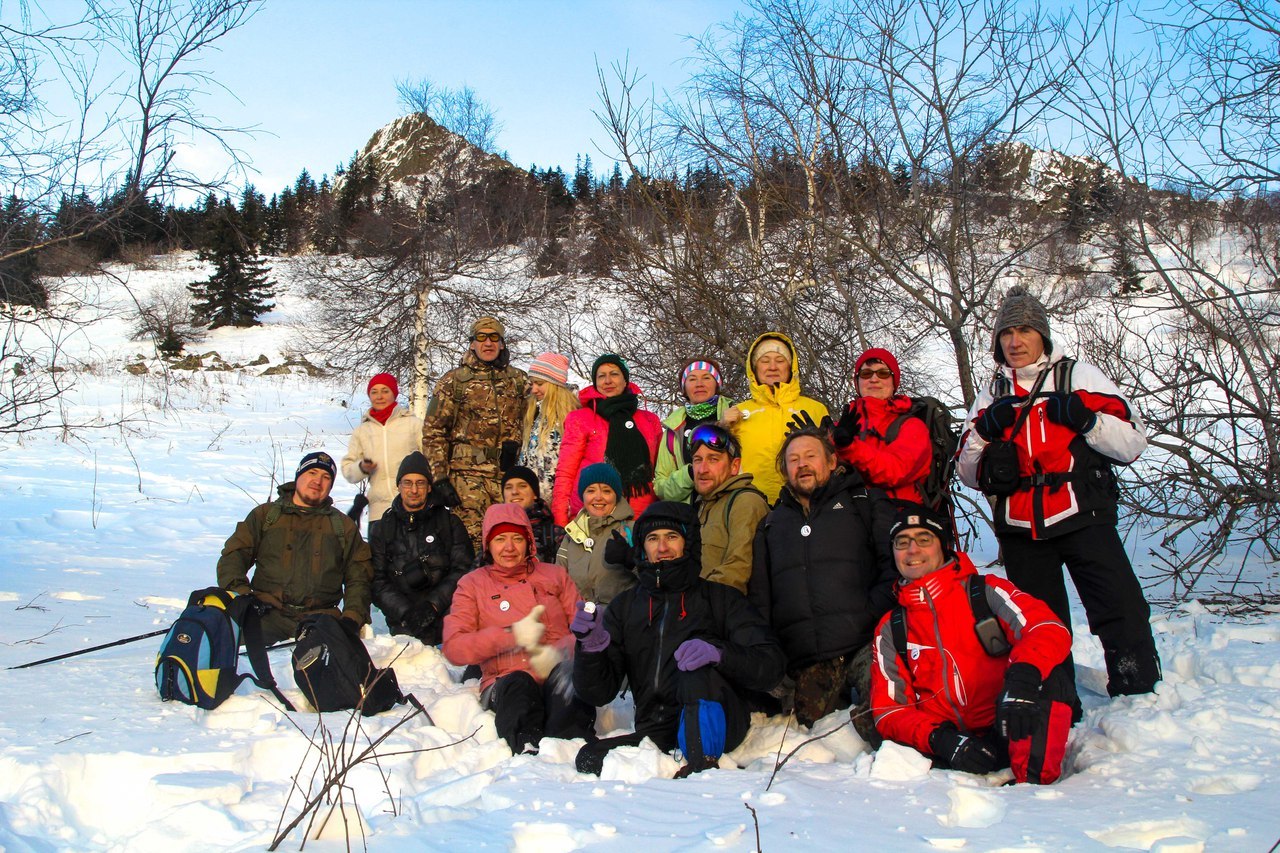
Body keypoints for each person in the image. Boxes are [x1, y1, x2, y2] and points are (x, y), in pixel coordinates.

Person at [956, 286, 1160, 697]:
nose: (1015, 342)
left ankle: (1138, 689)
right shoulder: (992, 393)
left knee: (1118, 605)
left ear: (1042, 337)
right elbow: (968, 473)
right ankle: (1056, 701)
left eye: (1025, 330)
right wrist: (983, 431)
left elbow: (1133, 443)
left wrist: (1087, 420)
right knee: (1040, 622)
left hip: (1083, 513)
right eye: (1006, 333)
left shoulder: (1077, 376)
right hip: (1021, 528)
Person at [572, 502, 785, 777]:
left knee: (693, 671)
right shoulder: (625, 607)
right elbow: (597, 693)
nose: (662, 548)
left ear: (688, 543)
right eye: (652, 539)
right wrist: (591, 647)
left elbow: (771, 665)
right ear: (642, 547)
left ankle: (702, 766)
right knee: (588, 758)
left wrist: (720, 653)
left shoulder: (720, 599)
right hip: (656, 730)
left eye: (672, 537)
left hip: (721, 726)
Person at [871, 505, 1076, 784]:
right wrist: (940, 739)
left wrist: (1024, 675)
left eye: (924, 539)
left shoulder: (986, 591)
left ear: (942, 546)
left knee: (1050, 678)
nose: (912, 550)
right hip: (953, 749)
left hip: (1009, 720)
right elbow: (889, 710)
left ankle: (1033, 789)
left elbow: (1047, 628)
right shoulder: (892, 627)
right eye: (902, 542)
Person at [750, 426, 897, 729]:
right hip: (808, 657)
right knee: (812, 736)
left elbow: (892, 567)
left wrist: (870, 614)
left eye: (810, 456)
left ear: (831, 462)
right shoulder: (771, 524)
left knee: (888, 721)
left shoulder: (864, 503)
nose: (802, 464)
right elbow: (761, 597)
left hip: (864, 643)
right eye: (793, 459)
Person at [441, 502, 595, 754]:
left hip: (555, 673)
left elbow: (584, 630)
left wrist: (560, 652)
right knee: (519, 685)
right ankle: (526, 749)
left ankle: (573, 750)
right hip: (506, 682)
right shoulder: (472, 584)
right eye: (500, 539)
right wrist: (511, 636)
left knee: (568, 684)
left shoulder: (554, 575)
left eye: (517, 538)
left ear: (529, 542)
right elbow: (454, 647)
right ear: (488, 544)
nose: (509, 547)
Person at [217, 451, 372, 645]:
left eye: (326, 477)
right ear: (298, 476)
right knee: (224, 650)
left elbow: (359, 577)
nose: (318, 481)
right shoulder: (265, 515)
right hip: (264, 614)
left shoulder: (343, 526)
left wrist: (352, 618)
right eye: (312, 473)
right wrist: (241, 595)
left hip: (320, 620)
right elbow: (234, 556)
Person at [421, 317, 529, 548]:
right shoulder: (453, 381)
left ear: (502, 343)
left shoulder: (518, 380)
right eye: (481, 337)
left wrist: (516, 446)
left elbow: (538, 418)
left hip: (507, 479)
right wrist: (439, 478)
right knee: (471, 547)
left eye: (494, 337)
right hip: (466, 479)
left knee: (509, 544)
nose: (487, 343)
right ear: (472, 343)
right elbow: (433, 431)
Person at [370, 451, 474, 644]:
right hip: (403, 620)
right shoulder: (382, 528)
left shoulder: (449, 523)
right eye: (407, 483)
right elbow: (377, 581)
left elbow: (464, 570)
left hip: (447, 615)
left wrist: (433, 605)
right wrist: (406, 612)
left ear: (429, 487)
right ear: (399, 486)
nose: (414, 490)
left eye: (420, 483)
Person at [552, 353, 662, 527]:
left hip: (641, 515)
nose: (607, 381)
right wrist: (560, 519)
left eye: (614, 374)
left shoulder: (650, 420)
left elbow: (660, 470)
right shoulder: (580, 418)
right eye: (601, 376)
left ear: (625, 380)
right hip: (592, 514)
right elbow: (565, 472)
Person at [724, 332, 829, 503]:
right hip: (752, 504)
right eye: (765, 361)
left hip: (805, 503)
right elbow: (719, 461)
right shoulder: (737, 413)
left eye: (780, 361)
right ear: (754, 368)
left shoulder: (815, 409)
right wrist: (721, 428)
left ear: (791, 367)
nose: (772, 367)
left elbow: (831, 458)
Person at [830, 348, 931, 506]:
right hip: (847, 518)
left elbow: (895, 471)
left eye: (883, 373)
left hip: (897, 519)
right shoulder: (839, 427)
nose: (874, 379)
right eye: (866, 374)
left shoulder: (912, 426)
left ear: (893, 382)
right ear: (857, 382)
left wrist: (849, 448)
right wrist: (812, 441)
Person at [689, 424, 769, 594]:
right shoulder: (700, 507)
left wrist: (693, 603)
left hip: (725, 612)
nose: (702, 469)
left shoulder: (745, 502)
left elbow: (738, 570)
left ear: (734, 466)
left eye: (713, 459)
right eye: (697, 460)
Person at [340, 372, 424, 529]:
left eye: (385, 391)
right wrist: (361, 467)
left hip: (415, 507)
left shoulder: (414, 424)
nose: (379, 396)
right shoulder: (362, 431)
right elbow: (348, 469)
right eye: (374, 392)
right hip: (379, 511)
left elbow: (431, 459)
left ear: (394, 394)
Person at [555, 463, 636, 605]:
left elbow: (653, 580)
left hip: (620, 620)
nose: (598, 497)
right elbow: (558, 581)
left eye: (606, 491)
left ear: (616, 496)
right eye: (591, 491)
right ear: (583, 496)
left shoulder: (632, 530)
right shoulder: (572, 534)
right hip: (578, 619)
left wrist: (631, 560)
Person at [654, 358, 733, 503]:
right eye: (692, 379)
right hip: (688, 517)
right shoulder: (673, 429)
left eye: (706, 378)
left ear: (717, 384)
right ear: (684, 388)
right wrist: (690, 473)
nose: (699, 384)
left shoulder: (735, 417)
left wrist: (725, 427)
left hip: (728, 508)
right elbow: (661, 487)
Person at [519, 352, 580, 498]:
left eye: (539, 384)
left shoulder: (573, 416)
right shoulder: (533, 413)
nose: (534, 389)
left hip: (560, 501)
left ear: (555, 384)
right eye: (532, 383)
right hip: (533, 503)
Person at [502, 465, 563, 564]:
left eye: (522, 486)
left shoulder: (555, 534)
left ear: (535, 494)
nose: (514, 492)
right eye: (508, 487)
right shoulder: (493, 532)